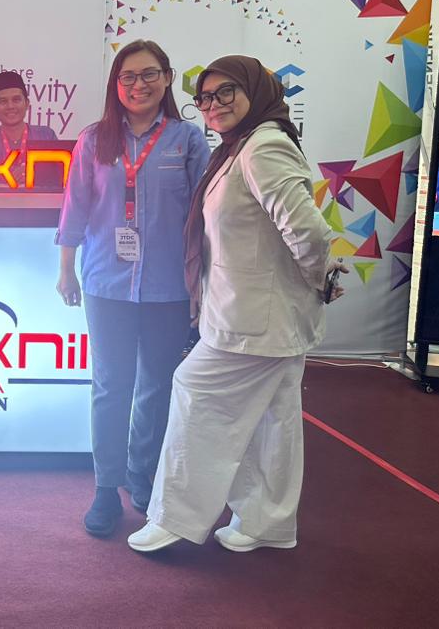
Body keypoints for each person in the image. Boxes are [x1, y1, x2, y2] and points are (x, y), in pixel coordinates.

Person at [128, 55, 344, 554]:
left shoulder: (264, 146)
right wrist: (316, 282)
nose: (213, 105)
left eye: (226, 92)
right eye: (205, 97)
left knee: (194, 390)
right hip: (263, 314)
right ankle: (267, 524)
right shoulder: (242, 145)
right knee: (275, 417)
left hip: (253, 319)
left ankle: (175, 520)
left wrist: (320, 279)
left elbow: (307, 231)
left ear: (255, 91)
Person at [55, 40, 210, 538]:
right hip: (106, 283)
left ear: (167, 78)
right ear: (115, 85)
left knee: (156, 386)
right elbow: (76, 207)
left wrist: (205, 282)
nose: (138, 85)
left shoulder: (188, 140)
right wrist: (66, 269)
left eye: (148, 75)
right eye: (128, 77)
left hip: (169, 287)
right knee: (110, 385)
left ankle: (142, 477)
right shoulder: (94, 139)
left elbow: (206, 216)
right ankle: (106, 487)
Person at [0, 70, 57, 184]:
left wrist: (35, 173)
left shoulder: (45, 136)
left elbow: (60, 174)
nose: (10, 106)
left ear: (27, 103)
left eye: (16, 100)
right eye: (3, 101)